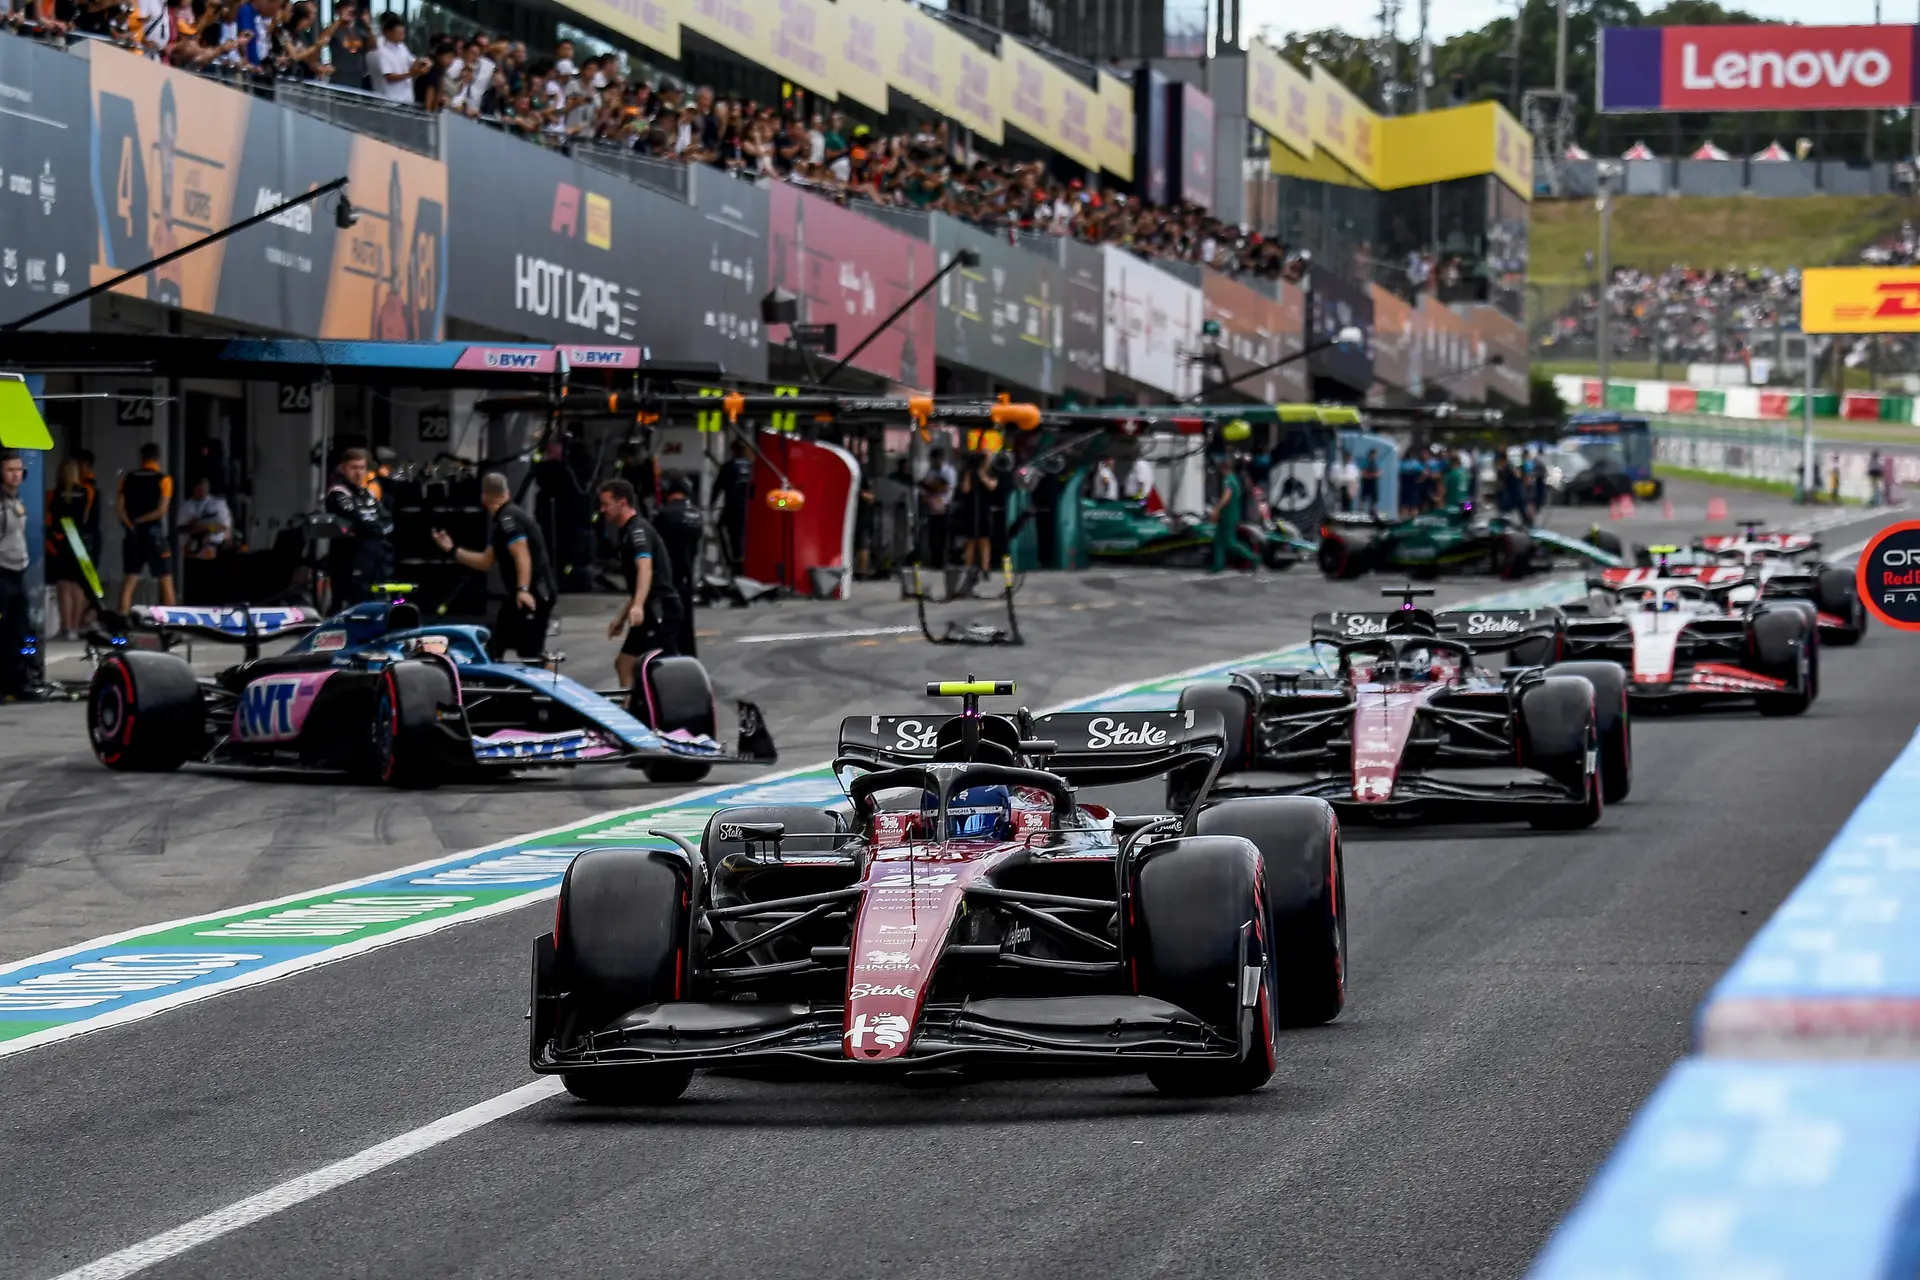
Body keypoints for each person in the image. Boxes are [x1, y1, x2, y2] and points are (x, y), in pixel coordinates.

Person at [433, 472, 555, 661]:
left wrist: (523, 589)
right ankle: (498, 685)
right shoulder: (506, 518)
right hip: (525, 595)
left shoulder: (508, 520)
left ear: (484, 496)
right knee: (498, 643)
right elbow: (486, 561)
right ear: (506, 491)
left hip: (532, 595)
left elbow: (522, 554)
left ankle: (548, 686)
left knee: (530, 653)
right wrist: (452, 550)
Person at [598, 478, 682, 688]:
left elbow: (645, 568)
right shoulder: (627, 531)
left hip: (662, 609)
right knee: (624, 663)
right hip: (649, 606)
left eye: (607, 504)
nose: (603, 510)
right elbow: (638, 584)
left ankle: (668, 713)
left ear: (622, 503)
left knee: (663, 669)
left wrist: (637, 606)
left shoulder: (638, 531)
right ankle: (631, 713)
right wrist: (622, 617)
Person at [323, 446, 393, 609]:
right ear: (343, 468)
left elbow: (385, 518)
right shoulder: (338, 492)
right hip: (347, 559)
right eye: (353, 468)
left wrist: (376, 526)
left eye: (361, 468)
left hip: (373, 557)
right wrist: (374, 525)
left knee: (376, 599)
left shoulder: (366, 493)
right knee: (349, 604)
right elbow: (359, 520)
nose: (358, 472)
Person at [116, 442, 175, 613]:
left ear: (141, 458)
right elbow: (161, 510)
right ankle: (171, 625)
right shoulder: (164, 479)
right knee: (166, 580)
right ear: (158, 457)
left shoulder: (128, 478)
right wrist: (143, 520)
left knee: (129, 582)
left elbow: (119, 509)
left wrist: (131, 524)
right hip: (154, 535)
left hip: (133, 535)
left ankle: (122, 621)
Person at [0, 450, 39, 701]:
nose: (16, 474)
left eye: (19, 469)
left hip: (18, 572)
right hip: (2, 573)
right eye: (10, 470)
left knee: (20, 629)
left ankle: (19, 683)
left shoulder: (18, 501)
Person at [653, 472, 704, 658]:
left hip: (668, 574)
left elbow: (655, 544)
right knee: (687, 622)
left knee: (668, 621)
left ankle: (668, 658)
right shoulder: (697, 514)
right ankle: (690, 658)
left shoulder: (665, 513)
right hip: (688, 572)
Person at [46, 457, 98, 639]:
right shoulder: (87, 492)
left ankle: (67, 627)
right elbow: (86, 517)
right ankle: (75, 628)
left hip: (61, 540)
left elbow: (50, 519)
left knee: (64, 586)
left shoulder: (53, 494)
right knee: (78, 587)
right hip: (80, 540)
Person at [955, 450, 999, 585]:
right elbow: (965, 489)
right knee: (971, 540)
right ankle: (969, 568)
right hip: (971, 510)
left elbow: (992, 486)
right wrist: (969, 472)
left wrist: (981, 474)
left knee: (984, 540)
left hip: (984, 510)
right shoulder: (967, 473)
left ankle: (985, 568)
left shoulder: (990, 472)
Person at [1208, 453, 1253, 574]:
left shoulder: (1228, 479)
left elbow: (1226, 496)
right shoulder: (1235, 479)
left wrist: (1217, 508)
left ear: (1224, 468)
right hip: (1230, 514)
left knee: (1230, 542)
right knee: (1219, 541)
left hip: (1228, 515)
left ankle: (1252, 557)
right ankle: (1218, 565)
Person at [715, 439, 753, 574]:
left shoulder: (728, 466)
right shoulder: (752, 467)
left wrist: (710, 505)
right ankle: (743, 565)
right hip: (749, 510)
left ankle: (734, 566)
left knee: (724, 530)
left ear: (733, 451)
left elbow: (717, 487)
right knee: (745, 539)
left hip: (732, 508)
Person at [177, 476, 231, 561]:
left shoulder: (217, 504)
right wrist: (194, 528)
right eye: (199, 488)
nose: (201, 490)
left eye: (203, 487)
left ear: (208, 487)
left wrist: (207, 527)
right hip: (192, 548)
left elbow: (224, 527)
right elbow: (179, 528)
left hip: (214, 546)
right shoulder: (186, 506)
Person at [919, 447, 956, 568]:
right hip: (933, 507)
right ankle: (934, 560)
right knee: (933, 536)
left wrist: (934, 487)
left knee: (944, 536)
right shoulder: (931, 471)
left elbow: (947, 488)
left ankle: (944, 561)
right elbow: (925, 484)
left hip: (945, 506)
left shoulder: (949, 471)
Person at [1358, 449, 1381, 518]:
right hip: (1366, 483)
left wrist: (1374, 475)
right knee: (1363, 498)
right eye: (1373, 455)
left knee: (1374, 499)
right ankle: (1361, 514)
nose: (1374, 456)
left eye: (1375, 455)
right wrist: (1371, 475)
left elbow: (1379, 473)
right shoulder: (1365, 462)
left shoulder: (1377, 463)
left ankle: (1372, 513)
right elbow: (1362, 473)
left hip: (1374, 483)